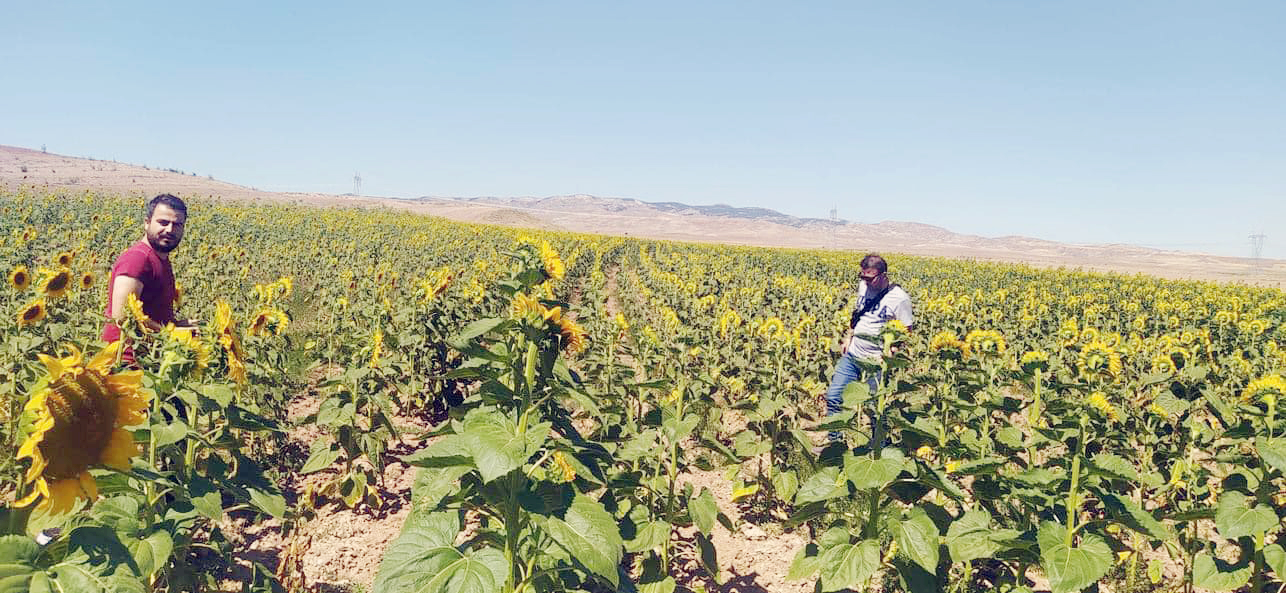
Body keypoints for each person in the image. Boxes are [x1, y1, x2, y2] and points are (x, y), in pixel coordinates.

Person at [823, 253, 914, 442]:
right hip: (853, 354)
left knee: (874, 408)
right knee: (833, 396)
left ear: (883, 275)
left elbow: (906, 330)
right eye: (862, 276)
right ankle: (835, 442)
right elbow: (858, 314)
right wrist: (849, 337)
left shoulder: (899, 299)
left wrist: (891, 352)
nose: (865, 281)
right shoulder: (863, 286)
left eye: (870, 278)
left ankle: (879, 447)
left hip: (876, 362)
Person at [103, 194, 192, 354]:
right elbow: (122, 318)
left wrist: (178, 325)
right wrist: (173, 334)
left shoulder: (160, 259)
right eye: (163, 222)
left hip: (149, 355)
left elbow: (153, 315)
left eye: (177, 224)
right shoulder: (137, 259)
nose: (170, 230)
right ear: (147, 223)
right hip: (125, 360)